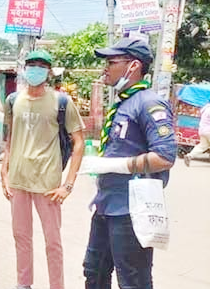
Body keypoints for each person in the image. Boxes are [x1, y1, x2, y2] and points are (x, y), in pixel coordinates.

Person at [79, 38, 176, 289]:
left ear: (133, 66)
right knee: (94, 271)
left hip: (132, 210)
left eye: (111, 62)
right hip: (106, 205)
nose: (105, 68)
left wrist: (117, 166)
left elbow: (165, 157)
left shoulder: (149, 103)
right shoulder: (123, 103)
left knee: (133, 280)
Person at [0, 50, 85, 289]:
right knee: (21, 238)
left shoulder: (61, 102)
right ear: (24, 68)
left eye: (41, 65)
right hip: (18, 180)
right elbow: (10, 138)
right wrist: (4, 172)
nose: (35, 69)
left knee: (53, 241)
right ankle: (23, 284)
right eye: (31, 64)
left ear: (49, 71)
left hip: (47, 183)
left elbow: (79, 143)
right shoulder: (13, 100)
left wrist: (67, 185)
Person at [184, 101, 210, 166]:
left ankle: (189, 155)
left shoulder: (205, 109)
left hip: (202, 130)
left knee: (202, 146)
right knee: (203, 146)